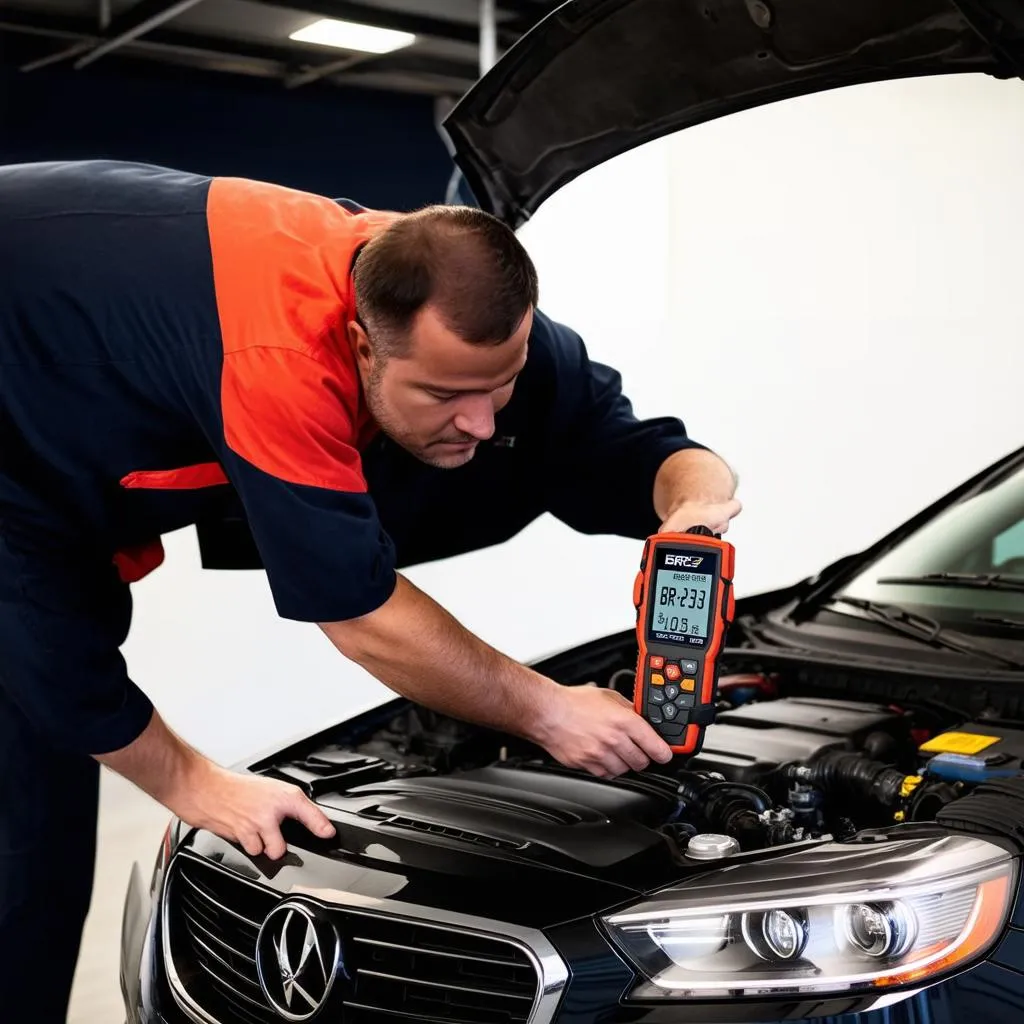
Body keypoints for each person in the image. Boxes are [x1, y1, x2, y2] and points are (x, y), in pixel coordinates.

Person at [0, 158, 739, 1019]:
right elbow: (359, 614)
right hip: (19, 421)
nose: (482, 421)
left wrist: (694, 509)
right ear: (359, 342)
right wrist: (545, 710)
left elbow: (642, 448)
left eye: (499, 386)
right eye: (447, 395)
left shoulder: (459, 302)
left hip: (73, 362)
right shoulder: (279, 357)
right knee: (26, 826)